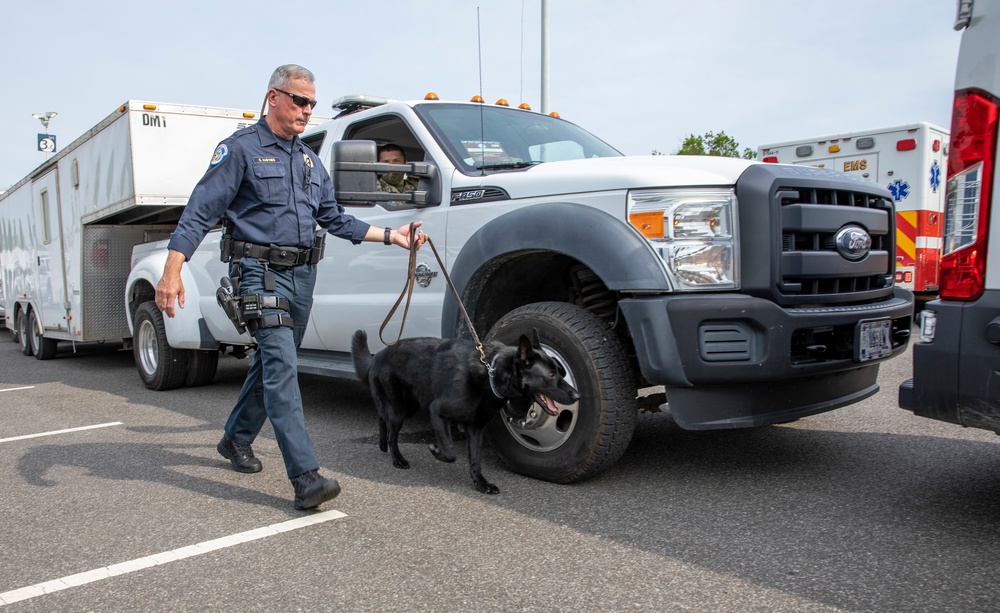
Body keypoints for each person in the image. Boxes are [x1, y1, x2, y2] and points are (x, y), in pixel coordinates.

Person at [155, 64, 426, 510]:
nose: (306, 110)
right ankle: (306, 477)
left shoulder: (308, 161)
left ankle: (235, 439)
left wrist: (393, 236)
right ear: (273, 98)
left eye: (312, 103)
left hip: (302, 277)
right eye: (299, 100)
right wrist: (171, 273)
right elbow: (199, 212)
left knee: (270, 365)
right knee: (282, 368)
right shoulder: (240, 150)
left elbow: (335, 218)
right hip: (259, 274)